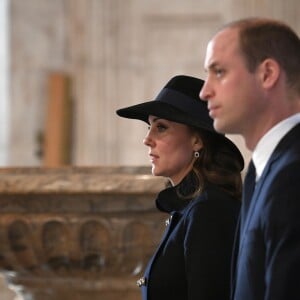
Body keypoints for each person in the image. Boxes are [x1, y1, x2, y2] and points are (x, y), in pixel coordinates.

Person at [116, 75, 244, 300]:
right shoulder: (193, 207)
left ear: (197, 141)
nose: (147, 139)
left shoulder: (209, 210)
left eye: (161, 127)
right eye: (150, 126)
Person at [200, 17, 300, 300]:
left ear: (267, 74)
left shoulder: (294, 174)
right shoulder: (265, 168)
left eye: (219, 72)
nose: (204, 91)